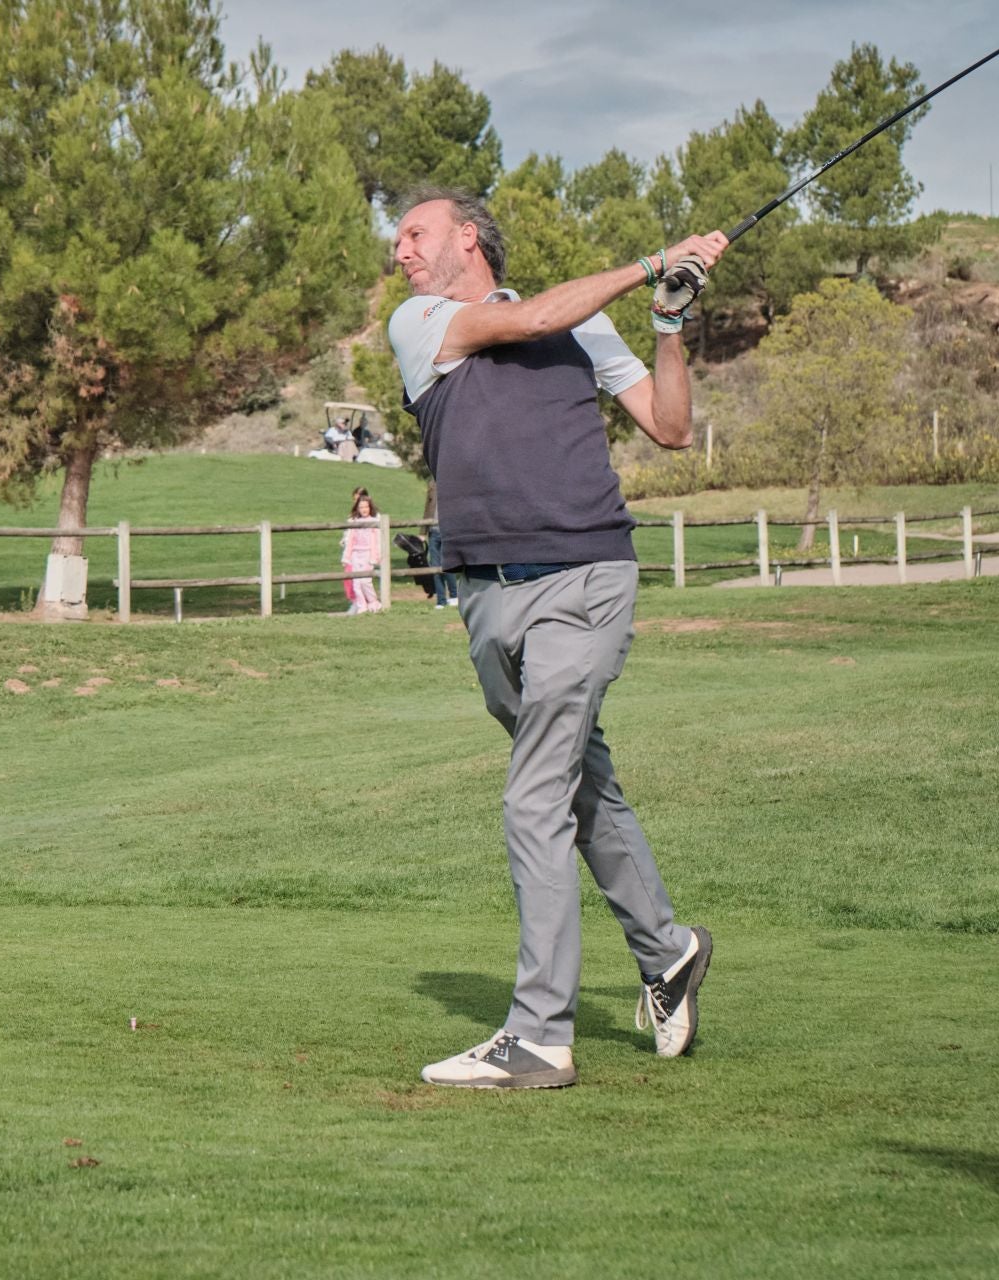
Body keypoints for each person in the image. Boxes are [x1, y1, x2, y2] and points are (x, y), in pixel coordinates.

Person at [386, 186, 728, 1089]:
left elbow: (671, 427)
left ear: (467, 234)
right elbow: (528, 315)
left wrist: (667, 322)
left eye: (412, 232)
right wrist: (649, 264)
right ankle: (668, 951)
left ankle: (539, 1033)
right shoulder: (420, 322)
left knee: (534, 796)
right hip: (486, 601)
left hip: (585, 578)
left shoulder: (587, 327)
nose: (400, 250)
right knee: (581, 785)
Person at [341, 488, 383, 614]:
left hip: (367, 553)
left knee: (366, 580)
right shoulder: (353, 522)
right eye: (361, 507)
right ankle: (362, 606)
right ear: (357, 508)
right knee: (356, 582)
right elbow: (350, 541)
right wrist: (346, 557)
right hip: (355, 554)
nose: (364, 509)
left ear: (370, 508)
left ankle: (373, 602)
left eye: (366, 507)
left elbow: (377, 541)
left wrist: (375, 556)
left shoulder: (374, 522)